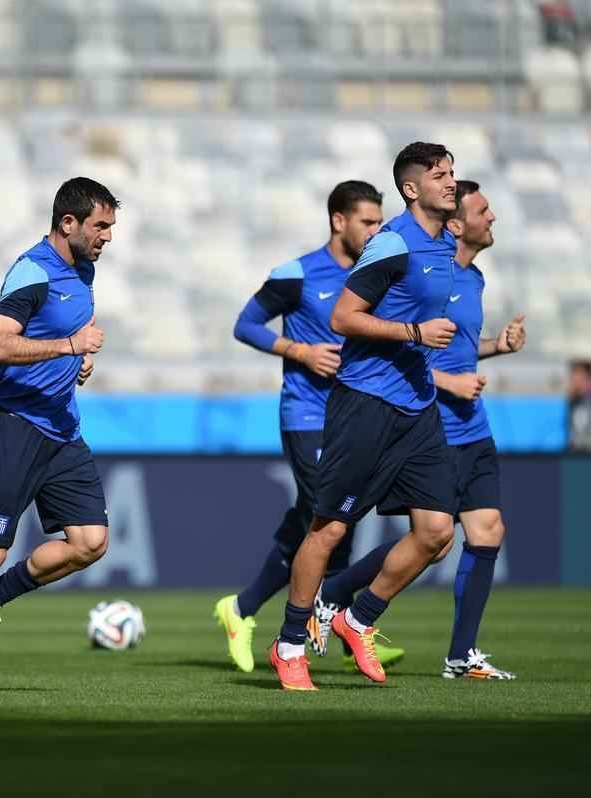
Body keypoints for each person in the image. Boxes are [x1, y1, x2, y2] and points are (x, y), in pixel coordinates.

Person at [310, 180, 527, 680]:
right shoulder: (421, 270)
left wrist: (497, 346)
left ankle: (460, 655)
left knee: (485, 529)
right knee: (435, 534)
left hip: (474, 425)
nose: (491, 216)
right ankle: (339, 596)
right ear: (456, 222)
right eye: (483, 208)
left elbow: (455, 347)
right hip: (431, 422)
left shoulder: (472, 280)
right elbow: (401, 349)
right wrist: (448, 381)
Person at [269, 142, 459, 691]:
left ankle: (358, 618)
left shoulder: (443, 243)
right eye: (439, 175)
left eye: (453, 172)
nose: (450, 181)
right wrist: (413, 334)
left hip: (417, 406)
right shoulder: (391, 244)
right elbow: (342, 316)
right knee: (329, 529)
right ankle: (288, 644)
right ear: (411, 188)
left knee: (437, 531)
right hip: (365, 403)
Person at [0, 177, 117, 695]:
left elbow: (75, 323)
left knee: (90, 541)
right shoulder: (32, 270)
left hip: (61, 427)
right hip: (13, 425)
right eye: (100, 226)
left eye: (111, 227)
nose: (107, 237)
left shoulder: (85, 268)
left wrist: (80, 356)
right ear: (68, 223)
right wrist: (67, 344)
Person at [213, 181, 404, 673]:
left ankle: (242, 609)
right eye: (368, 221)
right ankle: (338, 625)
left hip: (355, 415)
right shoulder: (297, 274)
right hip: (306, 415)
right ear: (338, 221)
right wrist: (298, 351)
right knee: (332, 522)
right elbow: (246, 324)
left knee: (313, 518)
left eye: (380, 221)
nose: (376, 230)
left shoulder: (376, 276)